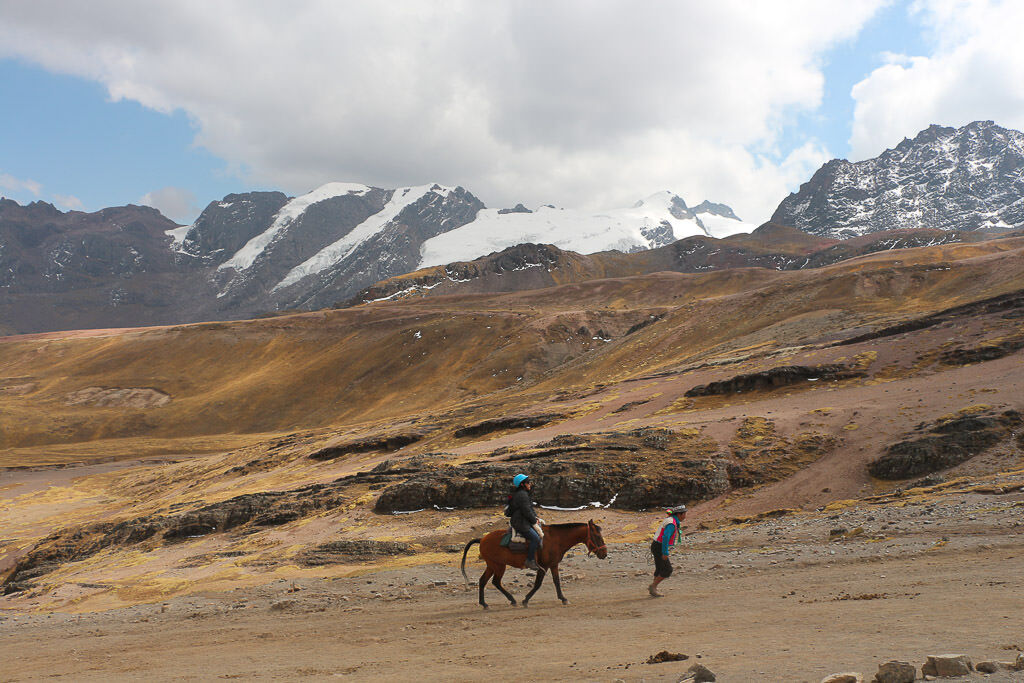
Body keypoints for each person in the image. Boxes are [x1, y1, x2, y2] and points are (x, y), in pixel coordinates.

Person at [649, 504, 686, 597]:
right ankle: (653, 586)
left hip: (656, 545)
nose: (685, 516)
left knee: (659, 567)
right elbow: (665, 537)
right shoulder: (671, 523)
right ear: (679, 514)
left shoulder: (670, 520)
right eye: (684, 514)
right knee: (667, 569)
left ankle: (654, 589)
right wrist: (665, 552)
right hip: (660, 546)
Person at [508, 473, 542, 570]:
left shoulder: (523, 494)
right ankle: (530, 560)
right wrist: (534, 522)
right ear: (522, 484)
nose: (530, 484)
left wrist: (536, 517)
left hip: (522, 520)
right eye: (528, 482)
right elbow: (526, 511)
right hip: (521, 523)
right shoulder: (522, 495)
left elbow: (530, 508)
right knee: (535, 538)